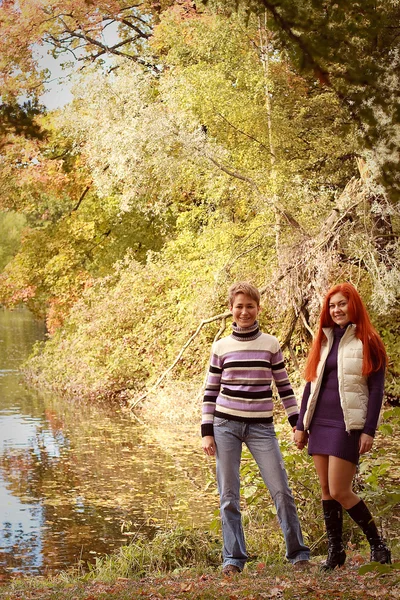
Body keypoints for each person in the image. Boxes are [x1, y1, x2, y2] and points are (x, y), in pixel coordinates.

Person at [202, 281, 310, 575]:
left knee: (281, 491)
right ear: (231, 310)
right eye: (239, 306)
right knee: (228, 495)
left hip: (262, 428)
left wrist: (296, 423)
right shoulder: (221, 347)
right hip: (225, 425)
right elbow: (210, 392)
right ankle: (233, 559)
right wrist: (206, 431)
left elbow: (285, 388)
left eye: (250, 306)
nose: (245, 311)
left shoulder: (271, 344)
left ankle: (298, 554)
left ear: (258, 308)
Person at [294, 282, 391, 570]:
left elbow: (376, 391)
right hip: (319, 421)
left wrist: (369, 430)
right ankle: (336, 553)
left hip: (347, 424)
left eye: (342, 304)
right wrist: (301, 424)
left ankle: (378, 545)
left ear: (354, 306)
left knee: (339, 489)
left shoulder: (369, 341)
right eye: (332, 305)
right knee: (325, 488)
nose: (336, 310)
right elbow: (311, 384)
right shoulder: (323, 340)